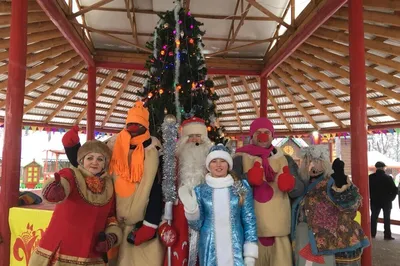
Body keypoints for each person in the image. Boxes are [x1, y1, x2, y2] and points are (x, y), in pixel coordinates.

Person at [62, 101, 164, 265]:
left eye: (138, 125)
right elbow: (90, 166)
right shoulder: (113, 145)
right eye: (130, 124)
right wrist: (73, 148)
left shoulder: (154, 151)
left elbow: (158, 188)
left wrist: (150, 224)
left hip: (140, 225)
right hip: (111, 226)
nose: (133, 128)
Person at [29, 140, 122, 265]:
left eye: (100, 159)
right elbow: (64, 182)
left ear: (105, 163)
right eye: (90, 158)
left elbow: (110, 217)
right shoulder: (71, 174)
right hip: (62, 249)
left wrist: (111, 237)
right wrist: (55, 189)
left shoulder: (109, 185)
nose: (95, 162)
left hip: (92, 253)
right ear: (82, 160)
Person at [233, 117, 304, 266]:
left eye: (266, 132)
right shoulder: (239, 160)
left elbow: (300, 191)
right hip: (251, 235)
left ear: (272, 135)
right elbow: (230, 191)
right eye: (258, 132)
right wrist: (247, 180)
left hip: (280, 232)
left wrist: (291, 184)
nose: (263, 136)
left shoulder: (286, 159)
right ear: (251, 136)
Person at [179, 144, 258, 266]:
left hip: (235, 249)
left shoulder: (241, 187)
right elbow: (197, 225)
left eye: (222, 161)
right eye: (214, 161)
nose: (218, 165)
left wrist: (250, 254)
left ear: (228, 165)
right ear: (208, 165)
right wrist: (191, 210)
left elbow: (249, 219)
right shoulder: (200, 190)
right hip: (210, 249)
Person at [292, 146, 369, 266]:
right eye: (307, 161)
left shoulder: (332, 181)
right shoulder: (304, 184)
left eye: (316, 161)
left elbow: (351, 205)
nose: (311, 164)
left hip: (339, 242)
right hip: (310, 242)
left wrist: (342, 185)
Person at [158, 117, 213, 266]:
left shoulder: (213, 163)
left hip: (205, 210)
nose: (195, 140)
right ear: (183, 140)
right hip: (178, 212)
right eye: (190, 136)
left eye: (198, 136)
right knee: (178, 249)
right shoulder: (175, 162)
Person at [369, 161, 398, 240]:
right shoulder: (388, 178)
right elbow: (395, 190)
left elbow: (368, 189)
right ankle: (387, 235)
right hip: (386, 201)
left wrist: (371, 196)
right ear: (382, 168)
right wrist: (391, 198)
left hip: (374, 200)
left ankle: (372, 233)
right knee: (386, 218)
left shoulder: (370, 177)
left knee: (374, 217)